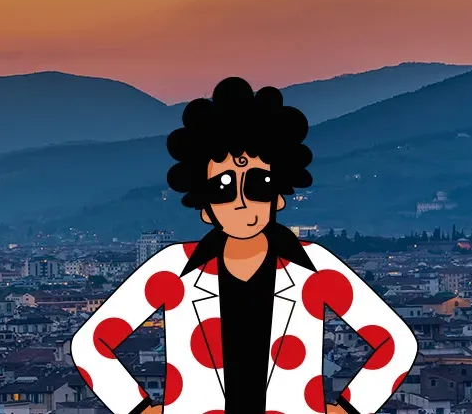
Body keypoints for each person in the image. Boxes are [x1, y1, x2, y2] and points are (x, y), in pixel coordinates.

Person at [69, 78, 416, 414]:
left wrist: (350, 408)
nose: (241, 201)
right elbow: (90, 346)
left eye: (258, 184)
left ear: (278, 196)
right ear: (205, 207)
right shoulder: (172, 268)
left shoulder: (315, 267)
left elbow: (397, 343)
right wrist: (139, 408)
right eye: (222, 189)